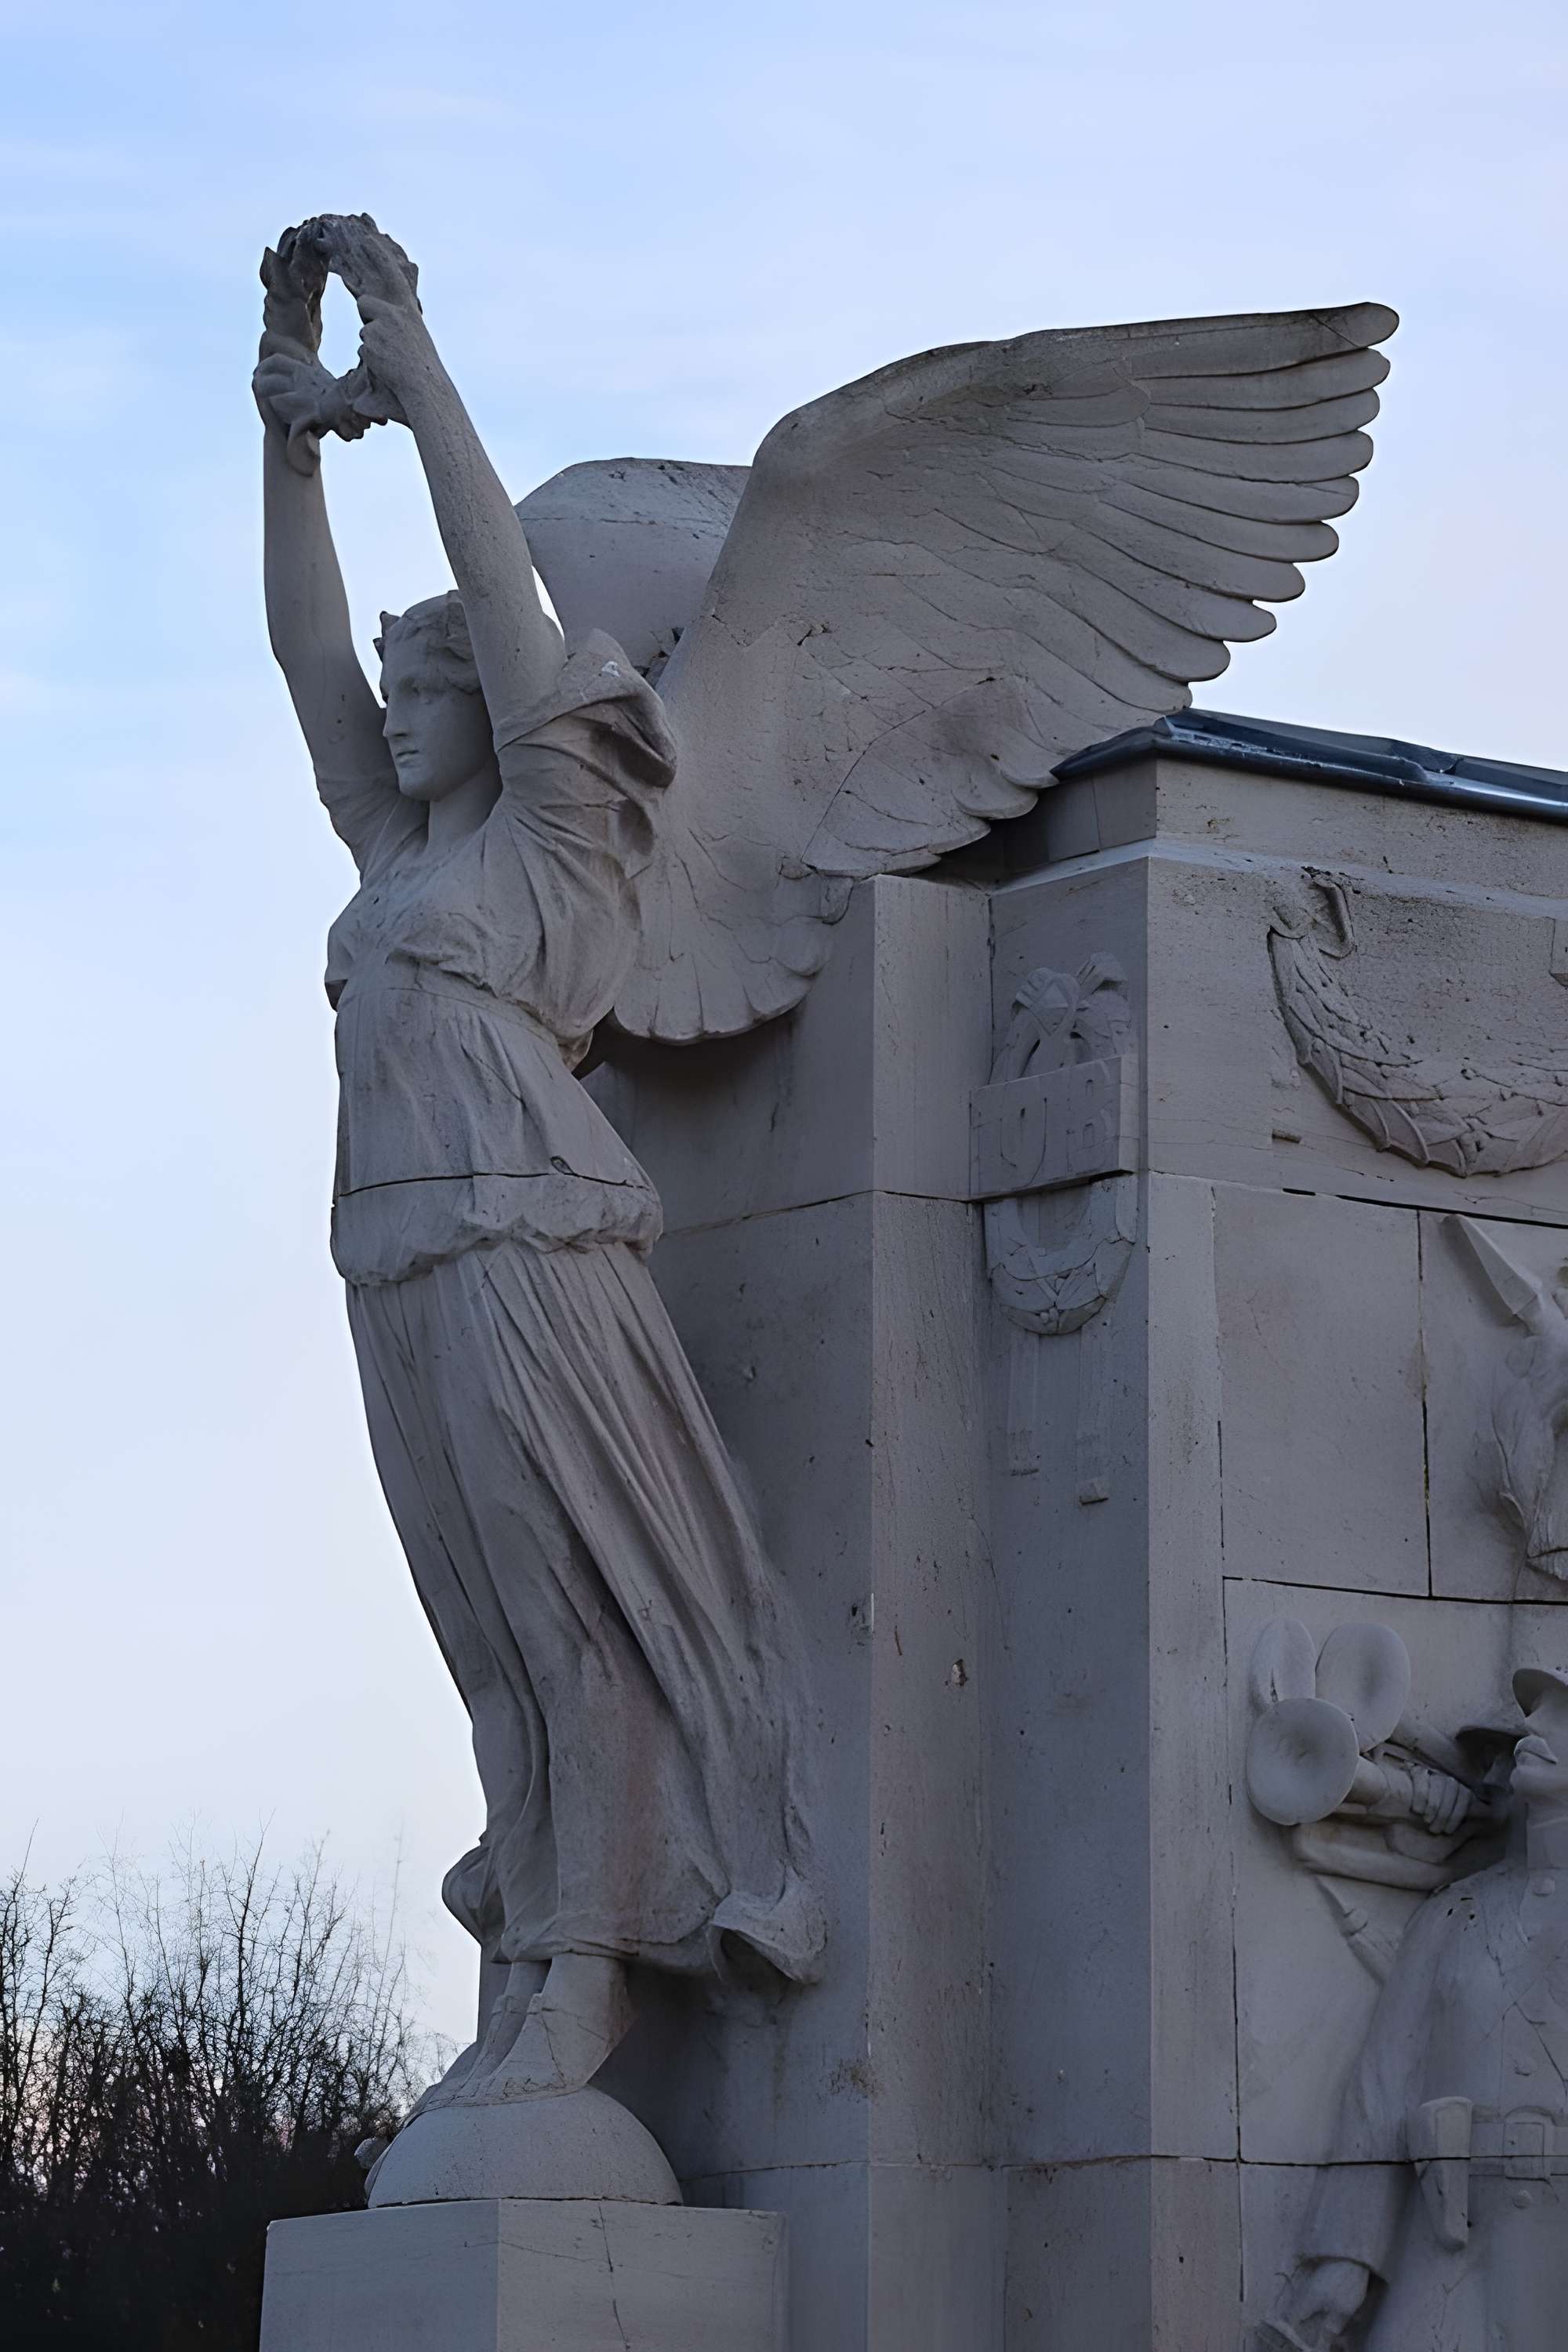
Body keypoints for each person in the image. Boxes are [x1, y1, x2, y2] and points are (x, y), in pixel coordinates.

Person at [252, 215, 823, 2105]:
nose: (400, 706)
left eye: (437, 692)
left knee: (563, 1605)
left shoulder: (553, 846)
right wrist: (284, 430)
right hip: (398, 1258)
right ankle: (525, 1962)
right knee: (481, 1630)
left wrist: (416, 388)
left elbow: (496, 610)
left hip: (528, 1257)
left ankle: (589, 1971)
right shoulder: (393, 859)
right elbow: (304, 645)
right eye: (403, 694)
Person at [1268, 1666, 1568, 2350]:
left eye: (1562, 1716)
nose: (1534, 1732)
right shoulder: (1454, 1915)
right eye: (1535, 1713)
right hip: (1453, 2243)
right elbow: (1381, 2091)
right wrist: (1345, 2257)